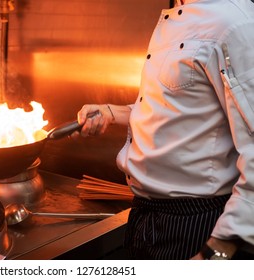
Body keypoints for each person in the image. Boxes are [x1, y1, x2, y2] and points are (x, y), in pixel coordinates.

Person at [71, 0, 254, 260]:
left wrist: (222, 248)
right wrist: (112, 112)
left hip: (195, 222)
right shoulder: (176, 17)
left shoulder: (234, 23)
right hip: (145, 216)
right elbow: (178, 107)